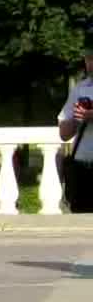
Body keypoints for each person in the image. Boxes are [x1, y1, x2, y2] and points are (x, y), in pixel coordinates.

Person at [58, 39, 93, 212]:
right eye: (88, 58)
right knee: (81, 222)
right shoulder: (80, 89)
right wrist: (78, 119)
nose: (91, 63)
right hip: (82, 170)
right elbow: (64, 134)